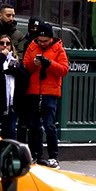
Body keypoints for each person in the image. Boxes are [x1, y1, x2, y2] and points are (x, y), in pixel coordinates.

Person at [22, 21, 69, 168]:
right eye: (40, 40)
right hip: (34, 91)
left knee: (49, 125)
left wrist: (49, 63)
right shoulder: (32, 46)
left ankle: (53, 156)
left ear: (51, 38)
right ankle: (35, 155)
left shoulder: (58, 49)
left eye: (45, 41)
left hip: (50, 91)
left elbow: (64, 69)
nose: (42, 43)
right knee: (34, 125)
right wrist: (33, 64)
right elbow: (25, 66)